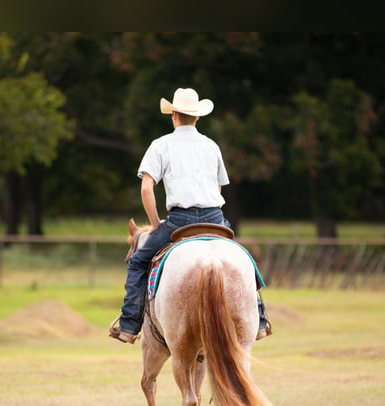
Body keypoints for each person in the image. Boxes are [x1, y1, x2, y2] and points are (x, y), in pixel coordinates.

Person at [109, 87, 271, 344]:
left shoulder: (160, 145)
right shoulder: (211, 146)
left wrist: (153, 224)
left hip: (178, 221)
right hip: (215, 219)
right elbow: (218, 188)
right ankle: (260, 320)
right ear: (197, 117)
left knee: (139, 262)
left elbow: (146, 188)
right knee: (244, 260)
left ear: (173, 115)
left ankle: (129, 324)